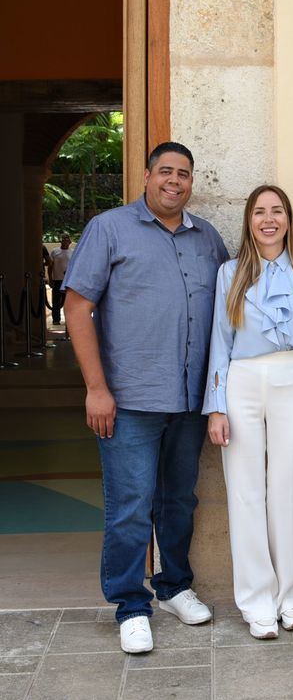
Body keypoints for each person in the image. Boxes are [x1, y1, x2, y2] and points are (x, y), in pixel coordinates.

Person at [63, 142, 228, 654]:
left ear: (191, 182)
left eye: (183, 174)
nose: (174, 181)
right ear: (146, 175)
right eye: (165, 172)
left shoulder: (208, 239)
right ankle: (130, 606)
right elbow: (76, 306)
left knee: (178, 500)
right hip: (129, 400)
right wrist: (96, 388)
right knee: (131, 506)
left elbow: (228, 312)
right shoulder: (109, 228)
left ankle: (174, 585)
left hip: (188, 400)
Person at [205, 184, 293, 640]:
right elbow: (219, 344)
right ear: (248, 220)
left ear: (288, 218)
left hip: (291, 380)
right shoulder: (230, 273)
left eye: (276, 210)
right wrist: (216, 407)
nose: (268, 219)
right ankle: (257, 601)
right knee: (244, 492)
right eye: (259, 212)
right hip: (241, 381)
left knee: (290, 488)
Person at [49, 234, 73, 324]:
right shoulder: (55, 251)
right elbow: (50, 266)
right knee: (56, 301)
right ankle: (56, 320)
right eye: (63, 239)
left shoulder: (73, 252)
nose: (65, 241)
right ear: (61, 241)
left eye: (67, 239)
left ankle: (69, 320)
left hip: (68, 281)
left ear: (70, 242)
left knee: (68, 302)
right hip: (57, 280)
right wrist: (50, 279)